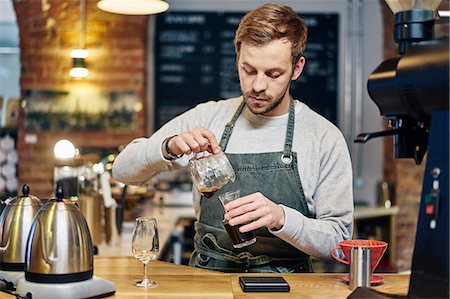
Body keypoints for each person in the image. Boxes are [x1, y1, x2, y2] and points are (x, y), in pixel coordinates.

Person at [113, 2, 353, 273]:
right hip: (208, 281)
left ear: (297, 68)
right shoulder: (209, 117)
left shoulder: (323, 137)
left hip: (288, 286)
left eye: (273, 74)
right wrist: (168, 146)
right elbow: (122, 171)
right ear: (237, 58)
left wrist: (282, 218)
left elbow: (340, 242)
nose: (258, 86)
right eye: (248, 70)